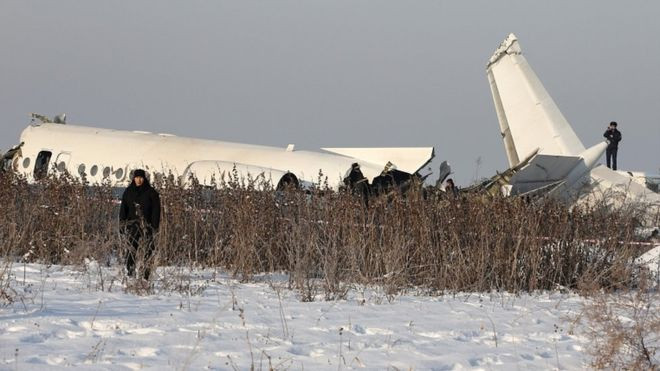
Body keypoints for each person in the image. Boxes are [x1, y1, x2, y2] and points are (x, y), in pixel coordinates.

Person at [119, 169, 161, 280]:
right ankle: (130, 272)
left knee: (149, 249)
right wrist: (122, 225)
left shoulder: (151, 192)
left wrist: (154, 227)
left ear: (144, 178)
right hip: (133, 225)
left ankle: (146, 274)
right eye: (137, 177)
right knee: (131, 250)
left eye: (141, 177)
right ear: (134, 178)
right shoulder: (128, 192)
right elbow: (123, 209)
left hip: (147, 225)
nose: (139, 180)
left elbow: (156, 210)